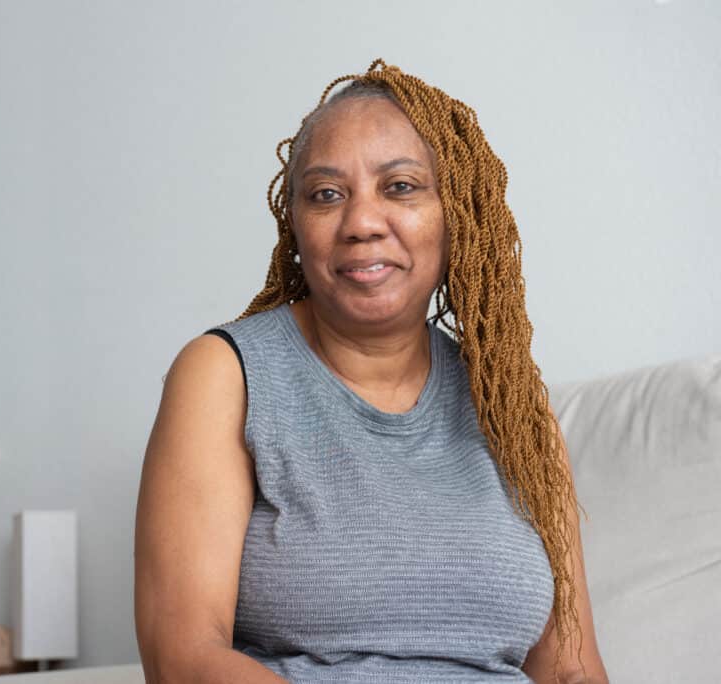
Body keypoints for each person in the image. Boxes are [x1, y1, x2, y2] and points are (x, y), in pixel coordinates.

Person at [134, 58, 609, 683]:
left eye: (401, 187)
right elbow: (184, 658)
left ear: (456, 215)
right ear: (296, 226)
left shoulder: (515, 407)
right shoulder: (226, 375)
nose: (360, 223)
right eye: (326, 194)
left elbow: (570, 669)